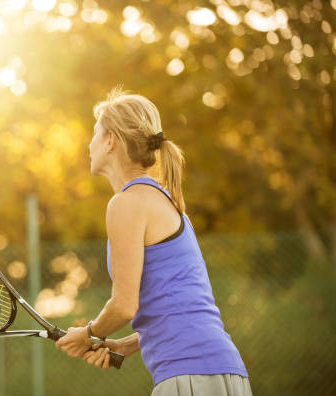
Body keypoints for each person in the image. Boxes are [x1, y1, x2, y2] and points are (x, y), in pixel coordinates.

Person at [55, 87, 252, 395]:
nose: (89, 144)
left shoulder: (127, 203)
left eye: (95, 133)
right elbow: (180, 307)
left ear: (110, 141)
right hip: (225, 374)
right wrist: (125, 344)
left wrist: (88, 333)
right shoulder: (168, 204)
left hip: (189, 375)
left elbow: (123, 306)